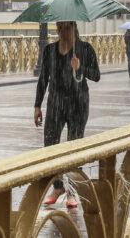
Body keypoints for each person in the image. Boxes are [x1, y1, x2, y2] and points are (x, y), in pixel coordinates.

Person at [34, 21, 101, 209]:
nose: (62, 31)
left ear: (74, 28)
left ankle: (72, 190)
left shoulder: (85, 49)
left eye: (66, 28)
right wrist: (37, 105)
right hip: (56, 103)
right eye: (59, 27)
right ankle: (57, 186)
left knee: (74, 146)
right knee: (50, 144)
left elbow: (96, 75)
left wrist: (80, 67)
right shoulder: (49, 50)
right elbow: (43, 79)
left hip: (78, 103)